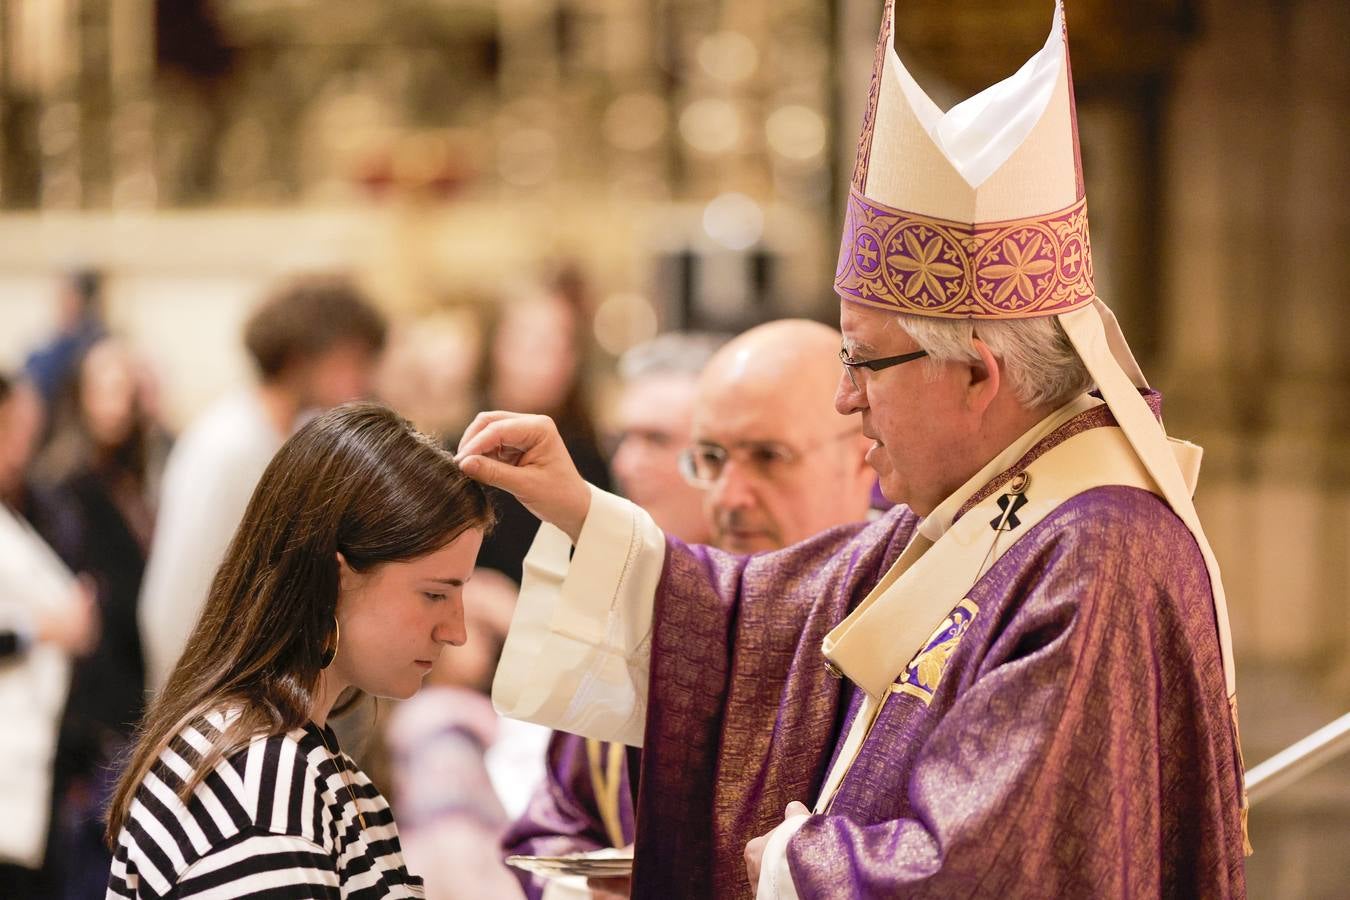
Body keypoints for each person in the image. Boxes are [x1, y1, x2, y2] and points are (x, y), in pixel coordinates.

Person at [460, 3, 1247, 897]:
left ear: (978, 374)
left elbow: (992, 865)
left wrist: (797, 867)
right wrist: (579, 509)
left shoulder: (1094, 554)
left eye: (863, 362)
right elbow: (745, 621)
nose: (846, 398)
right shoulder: (983, 520)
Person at [503, 321, 877, 899]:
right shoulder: (667, 619)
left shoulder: (910, 624)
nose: (726, 496)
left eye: (768, 457)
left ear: (865, 457)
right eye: (710, 458)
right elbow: (556, 825)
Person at [105, 402, 495, 897]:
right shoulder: (261, 789)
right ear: (334, 579)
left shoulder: (295, 759)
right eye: (435, 594)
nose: (456, 631)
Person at [138, 274, 387, 692]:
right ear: (300, 357)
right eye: (352, 360)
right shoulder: (230, 446)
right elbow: (176, 605)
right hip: (209, 697)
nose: (362, 379)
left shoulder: (283, 436)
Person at [33, 338, 169, 898]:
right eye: (105, 387)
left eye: (126, 388)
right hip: (94, 712)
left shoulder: (138, 481)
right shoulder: (67, 486)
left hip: (134, 692)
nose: (118, 402)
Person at [0, 372, 96, 894]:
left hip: (38, 751)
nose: (21, 444)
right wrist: (43, 629)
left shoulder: (34, 505)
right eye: (10, 428)